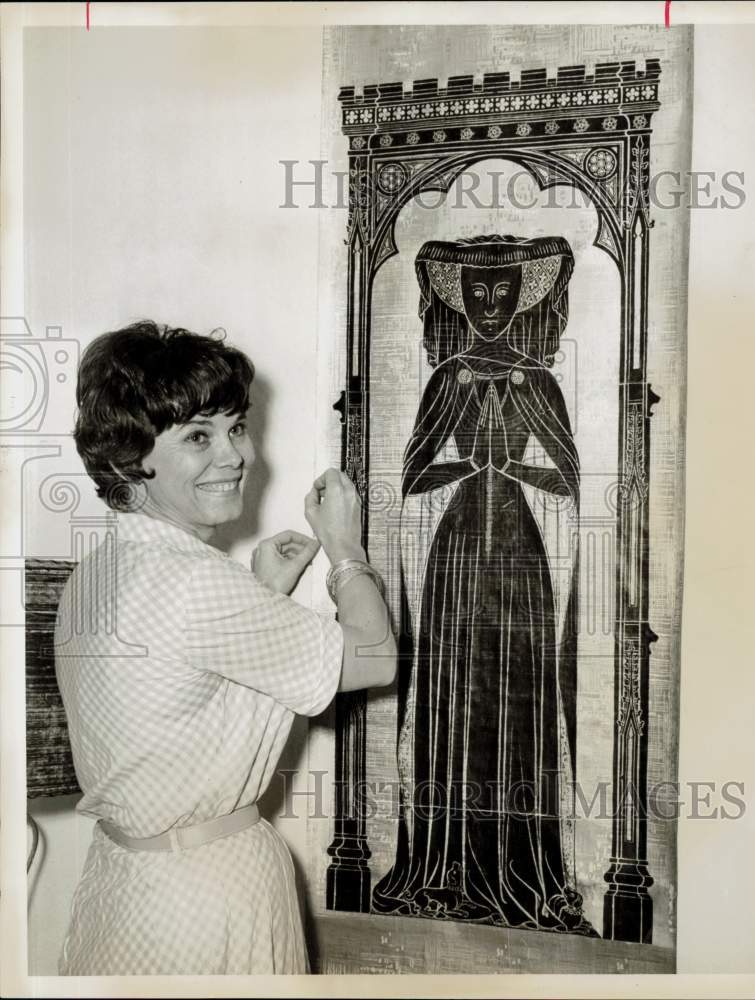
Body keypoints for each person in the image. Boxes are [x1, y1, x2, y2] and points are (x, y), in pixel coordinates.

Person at [54, 321, 396, 975]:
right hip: (208, 896)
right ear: (132, 458)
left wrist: (264, 589)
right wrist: (347, 550)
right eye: (198, 437)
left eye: (236, 427)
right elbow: (375, 656)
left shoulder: (94, 573)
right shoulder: (193, 581)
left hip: (121, 887)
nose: (235, 454)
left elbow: (173, 689)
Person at [372, 235, 596, 935]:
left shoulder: (540, 382)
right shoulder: (446, 381)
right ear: (459, 300)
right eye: (477, 294)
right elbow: (412, 475)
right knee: (451, 689)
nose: (490, 306)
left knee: (517, 692)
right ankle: (441, 864)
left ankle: (521, 867)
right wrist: (470, 472)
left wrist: (512, 470)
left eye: (503, 293)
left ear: (524, 299)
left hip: (519, 557)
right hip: (458, 552)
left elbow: (569, 478)